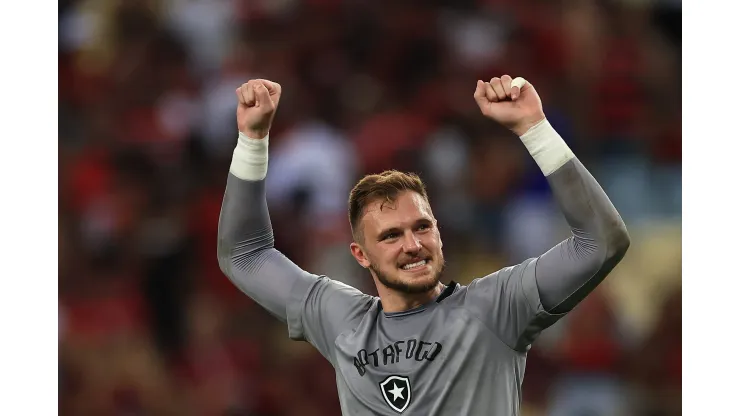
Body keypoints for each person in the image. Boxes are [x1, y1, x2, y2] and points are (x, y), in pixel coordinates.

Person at [217, 76, 630, 415]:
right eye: (391, 235)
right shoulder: (340, 319)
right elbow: (244, 253)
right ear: (361, 255)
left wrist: (534, 129)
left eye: (422, 227)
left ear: (438, 232)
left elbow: (601, 241)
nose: (413, 244)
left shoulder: (497, 308)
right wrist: (252, 142)